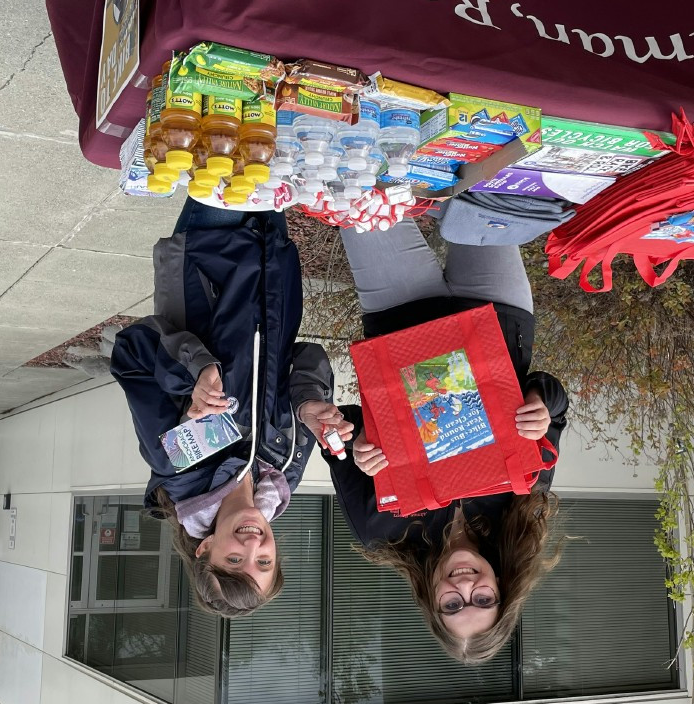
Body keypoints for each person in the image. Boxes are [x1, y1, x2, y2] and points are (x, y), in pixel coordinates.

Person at [321, 218, 568, 663]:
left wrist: (354, 444)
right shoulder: (523, 503)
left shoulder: (381, 532)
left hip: (398, 314)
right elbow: (553, 399)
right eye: (483, 600)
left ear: (432, 602)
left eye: (453, 606)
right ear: (502, 591)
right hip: (495, 310)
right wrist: (540, 406)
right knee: (478, 169)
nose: (466, 588)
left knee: (363, 189)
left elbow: (336, 431)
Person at [110, 199, 351, 617]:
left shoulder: (179, 463)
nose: (253, 545)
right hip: (272, 260)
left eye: (234, 561)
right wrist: (311, 401)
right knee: (273, 143)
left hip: (207, 254)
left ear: (205, 549)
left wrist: (197, 372)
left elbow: (131, 352)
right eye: (264, 562)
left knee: (223, 142)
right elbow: (306, 356)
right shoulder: (285, 472)